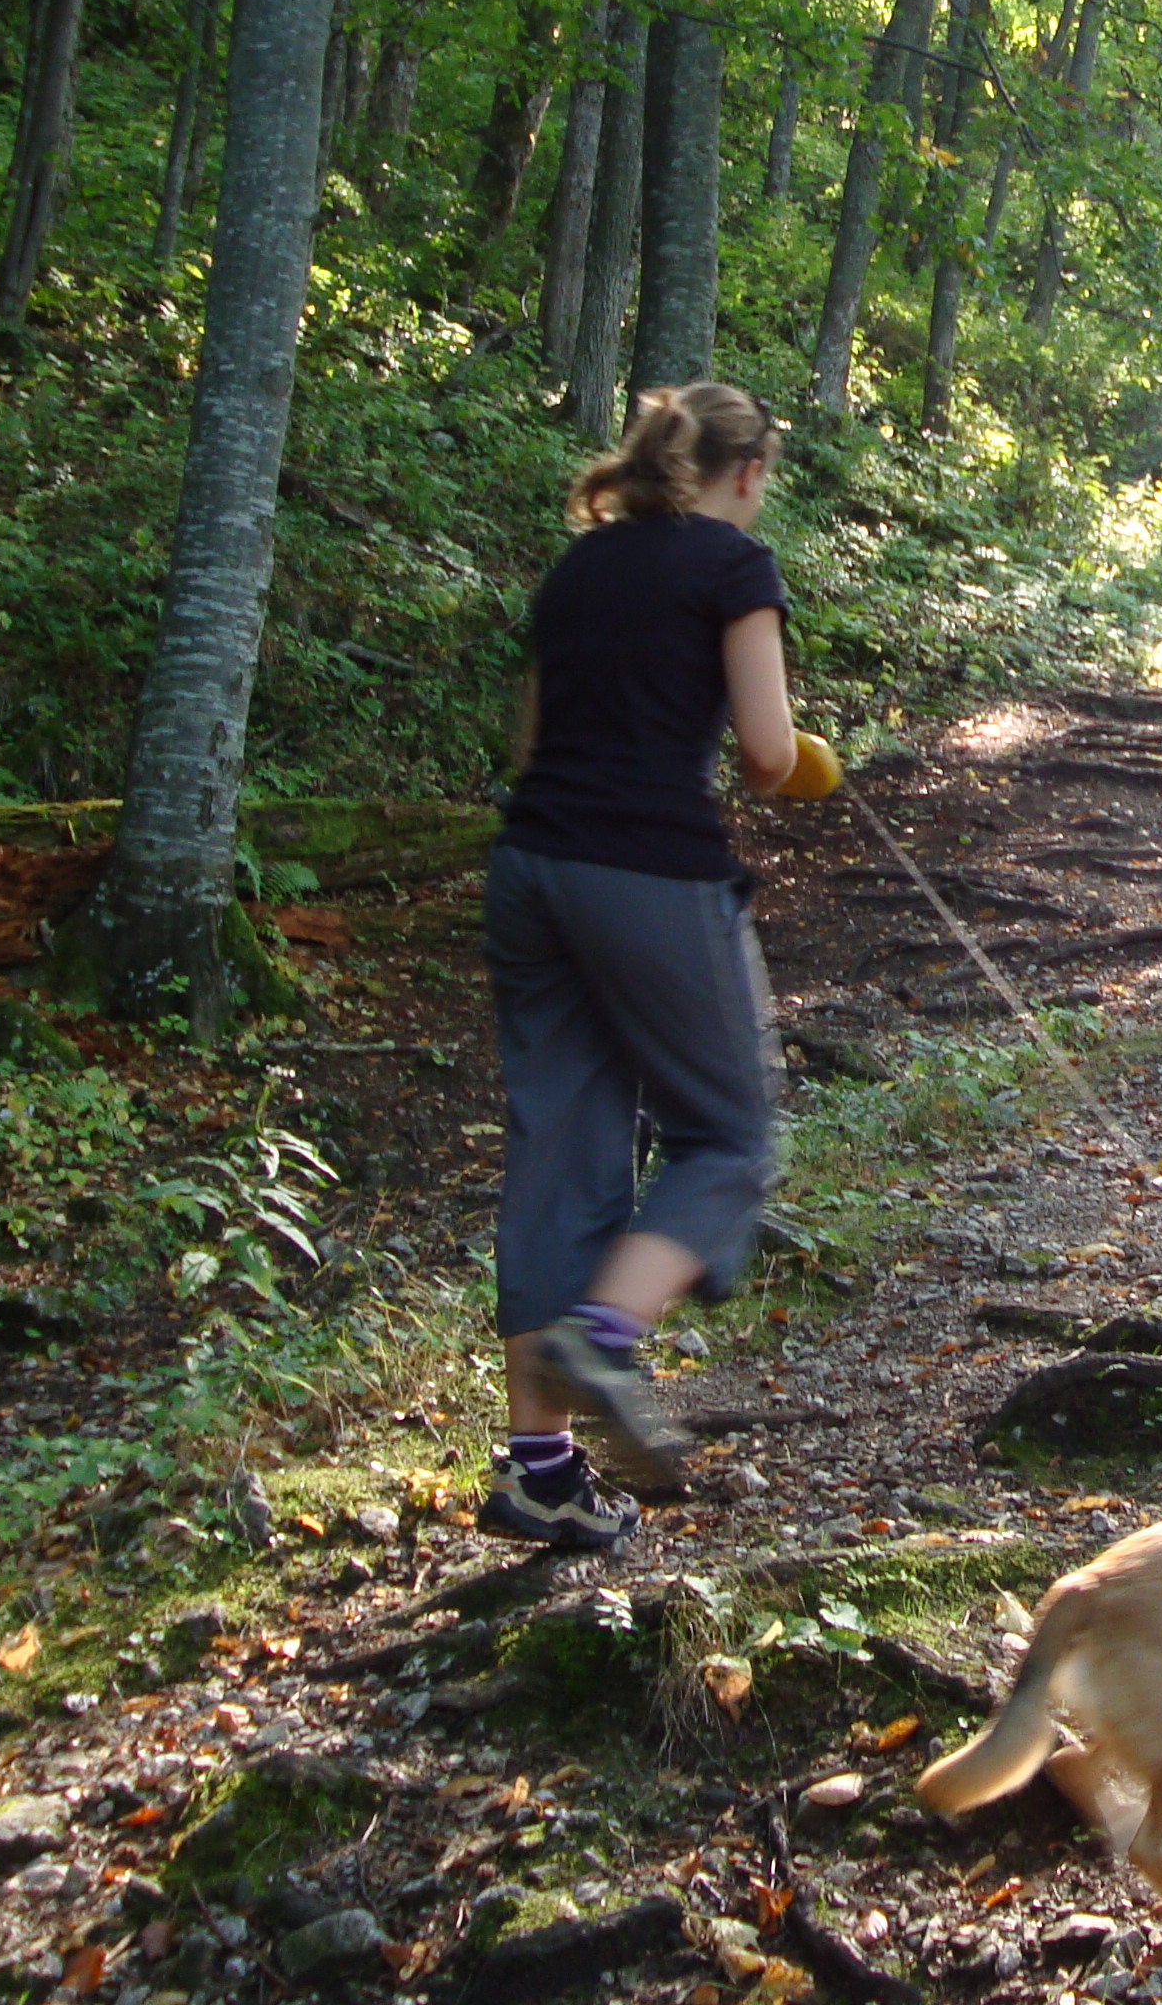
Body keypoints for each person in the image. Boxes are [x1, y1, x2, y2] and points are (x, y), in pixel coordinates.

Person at [477, 381, 841, 1549]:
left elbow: (534, 743)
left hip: (532, 865)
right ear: (748, 472)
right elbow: (767, 754)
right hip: (648, 874)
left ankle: (538, 1473)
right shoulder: (735, 564)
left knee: (560, 1152)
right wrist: (809, 762)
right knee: (727, 1136)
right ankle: (603, 1337)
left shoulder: (577, 568)